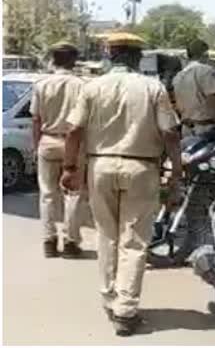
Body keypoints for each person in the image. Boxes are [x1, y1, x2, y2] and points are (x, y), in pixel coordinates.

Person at [61, 32, 182, 336]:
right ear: (137, 57)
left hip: (100, 165)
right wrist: (177, 171)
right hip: (142, 167)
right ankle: (126, 310)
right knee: (134, 241)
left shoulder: (92, 87)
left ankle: (110, 297)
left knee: (107, 235)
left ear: (110, 55)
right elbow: (170, 133)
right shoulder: (153, 88)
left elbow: (73, 130)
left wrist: (69, 167)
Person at [31, 41, 87, 258]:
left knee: (47, 194)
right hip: (73, 143)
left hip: (47, 140)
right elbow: (84, 123)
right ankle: (71, 242)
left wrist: (37, 147)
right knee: (73, 194)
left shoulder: (41, 84)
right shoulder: (82, 85)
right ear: (73, 60)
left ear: (53, 59)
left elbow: (36, 119)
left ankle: (49, 240)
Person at [172, 39, 215, 138]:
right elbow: (212, 100)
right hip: (204, 128)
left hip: (186, 128)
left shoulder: (178, 76)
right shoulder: (206, 71)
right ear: (205, 53)